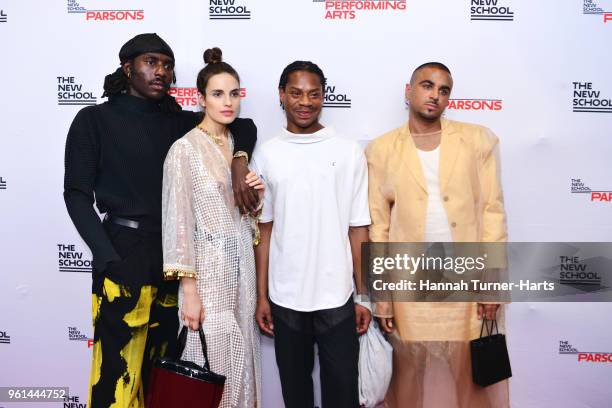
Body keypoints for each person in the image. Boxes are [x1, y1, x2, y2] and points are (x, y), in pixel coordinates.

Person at [63, 34, 258, 408]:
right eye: (151, 62)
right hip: (123, 254)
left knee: (164, 378)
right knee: (116, 375)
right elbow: (75, 195)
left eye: (167, 65)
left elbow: (241, 125)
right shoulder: (94, 119)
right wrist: (106, 257)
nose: (161, 72)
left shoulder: (175, 122)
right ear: (127, 68)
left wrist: (239, 161)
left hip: (174, 262)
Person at [366, 62, 509, 408]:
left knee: (473, 379)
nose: (435, 95)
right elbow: (378, 228)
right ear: (409, 90)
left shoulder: (478, 140)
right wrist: (382, 297)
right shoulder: (382, 149)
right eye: (427, 85)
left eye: (444, 90)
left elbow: (493, 212)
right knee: (406, 380)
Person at [253, 61, 372, 408]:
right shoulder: (268, 153)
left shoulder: (348, 151)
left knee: (344, 396)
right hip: (285, 298)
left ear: (323, 97)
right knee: (296, 395)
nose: (305, 102)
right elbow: (264, 229)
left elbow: (359, 228)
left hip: (337, 297)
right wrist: (262, 296)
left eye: (313, 94)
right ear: (282, 96)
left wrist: (364, 297)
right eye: (296, 93)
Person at [162, 47, 263, 408]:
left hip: (243, 274)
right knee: (211, 366)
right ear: (201, 97)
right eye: (218, 94)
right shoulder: (183, 149)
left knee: (242, 363)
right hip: (206, 276)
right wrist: (189, 291)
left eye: (234, 93)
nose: (228, 102)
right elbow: (178, 222)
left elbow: (246, 222)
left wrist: (255, 197)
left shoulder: (239, 145)